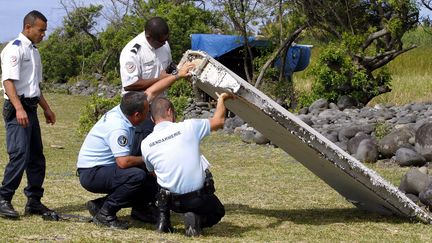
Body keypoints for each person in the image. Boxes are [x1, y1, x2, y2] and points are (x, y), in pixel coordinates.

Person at [77, 63, 194, 229]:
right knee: (136, 176)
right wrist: (150, 157)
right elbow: (123, 163)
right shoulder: (119, 127)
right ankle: (106, 213)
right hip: (92, 172)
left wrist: (178, 76)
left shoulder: (127, 107)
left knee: (149, 180)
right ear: (137, 114)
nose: (149, 115)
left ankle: (102, 205)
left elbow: (152, 91)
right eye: (147, 112)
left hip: (102, 168)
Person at [141, 92, 233, 236]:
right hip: (196, 199)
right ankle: (196, 220)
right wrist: (221, 99)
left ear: (152, 118)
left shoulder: (146, 143)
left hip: (170, 202)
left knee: (157, 177)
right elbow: (219, 121)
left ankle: (163, 219)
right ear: (170, 111)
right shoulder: (188, 127)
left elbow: (153, 172)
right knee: (218, 211)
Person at [0, 10, 58, 220]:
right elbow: (8, 82)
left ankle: (33, 201)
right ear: (28, 27)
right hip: (18, 108)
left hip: (30, 107)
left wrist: (46, 108)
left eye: (44, 31)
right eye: (41, 30)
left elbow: (35, 86)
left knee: (36, 157)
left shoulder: (33, 51)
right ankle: (3, 198)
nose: (44, 34)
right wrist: (19, 108)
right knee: (19, 154)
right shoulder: (14, 50)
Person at [119, 16, 177, 157]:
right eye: (161, 41)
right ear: (149, 37)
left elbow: (166, 68)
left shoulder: (164, 44)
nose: (164, 44)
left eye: (166, 40)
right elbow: (130, 84)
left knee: (166, 144)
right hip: (139, 106)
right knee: (143, 146)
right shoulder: (133, 52)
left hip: (159, 103)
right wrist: (160, 79)